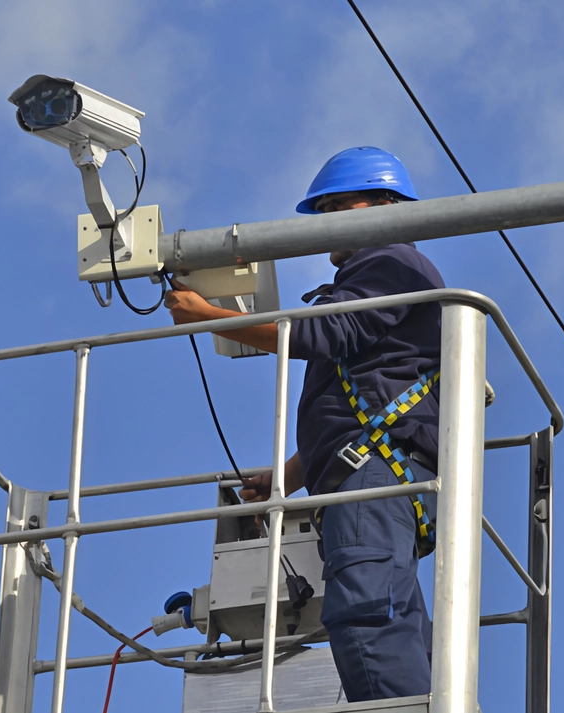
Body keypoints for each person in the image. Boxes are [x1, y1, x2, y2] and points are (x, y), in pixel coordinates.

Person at [164, 146, 443, 702]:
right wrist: (290, 475)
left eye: (341, 205)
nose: (328, 221)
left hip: (375, 483)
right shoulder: (378, 273)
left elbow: (322, 336)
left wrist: (210, 317)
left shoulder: (390, 260)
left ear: (388, 205)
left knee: (368, 613)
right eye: (325, 209)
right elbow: (363, 398)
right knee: (395, 619)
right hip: (371, 476)